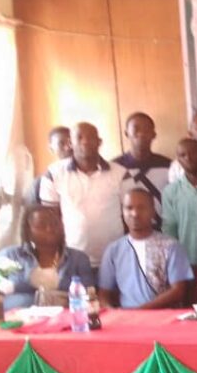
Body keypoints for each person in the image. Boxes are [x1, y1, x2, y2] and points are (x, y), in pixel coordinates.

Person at [39, 122, 126, 270]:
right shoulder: (53, 174)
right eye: (79, 137)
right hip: (73, 259)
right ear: (70, 143)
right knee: (79, 293)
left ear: (99, 142)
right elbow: (50, 219)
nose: (85, 141)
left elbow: (130, 215)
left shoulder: (120, 173)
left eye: (91, 137)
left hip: (115, 257)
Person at [99, 188, 194, 309]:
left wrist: (139, 312)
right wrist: (115, 314)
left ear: (153, 212)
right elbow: (103, 295)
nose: (135, 213)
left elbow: (178, 292)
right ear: (122, 212)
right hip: (126, 320)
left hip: (163, 317)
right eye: (129, 208)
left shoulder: (171, 246)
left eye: (141, 208)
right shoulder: (113, 250)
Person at [0, 204, 94, 309]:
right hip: (18, 320)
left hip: (63, 319)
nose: (50, 229)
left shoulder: (78, 259)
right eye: (41, 225)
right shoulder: (10, 256)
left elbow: (88, 296)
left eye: (55, 224)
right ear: (28, 231)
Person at [162, 138, 197, 275]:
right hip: (185, 263)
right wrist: (175, 260)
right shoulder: (171, 191)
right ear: (178, 160)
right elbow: (169, 229)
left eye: (193, 153)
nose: (188, 158)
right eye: (182, 155)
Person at [114, 112, 172, 227]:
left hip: (163, 230)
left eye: (146, 129)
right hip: (128, 233)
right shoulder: (115, 168)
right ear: (126, 133)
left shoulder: (168, 165)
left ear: (154, 134)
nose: (141, 133)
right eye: (136, 129)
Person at [26, 126, 73, 205]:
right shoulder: (51, 176)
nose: (68, 147)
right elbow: (49, 212)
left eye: (71, 142)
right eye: (61, 144)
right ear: (51, 149)